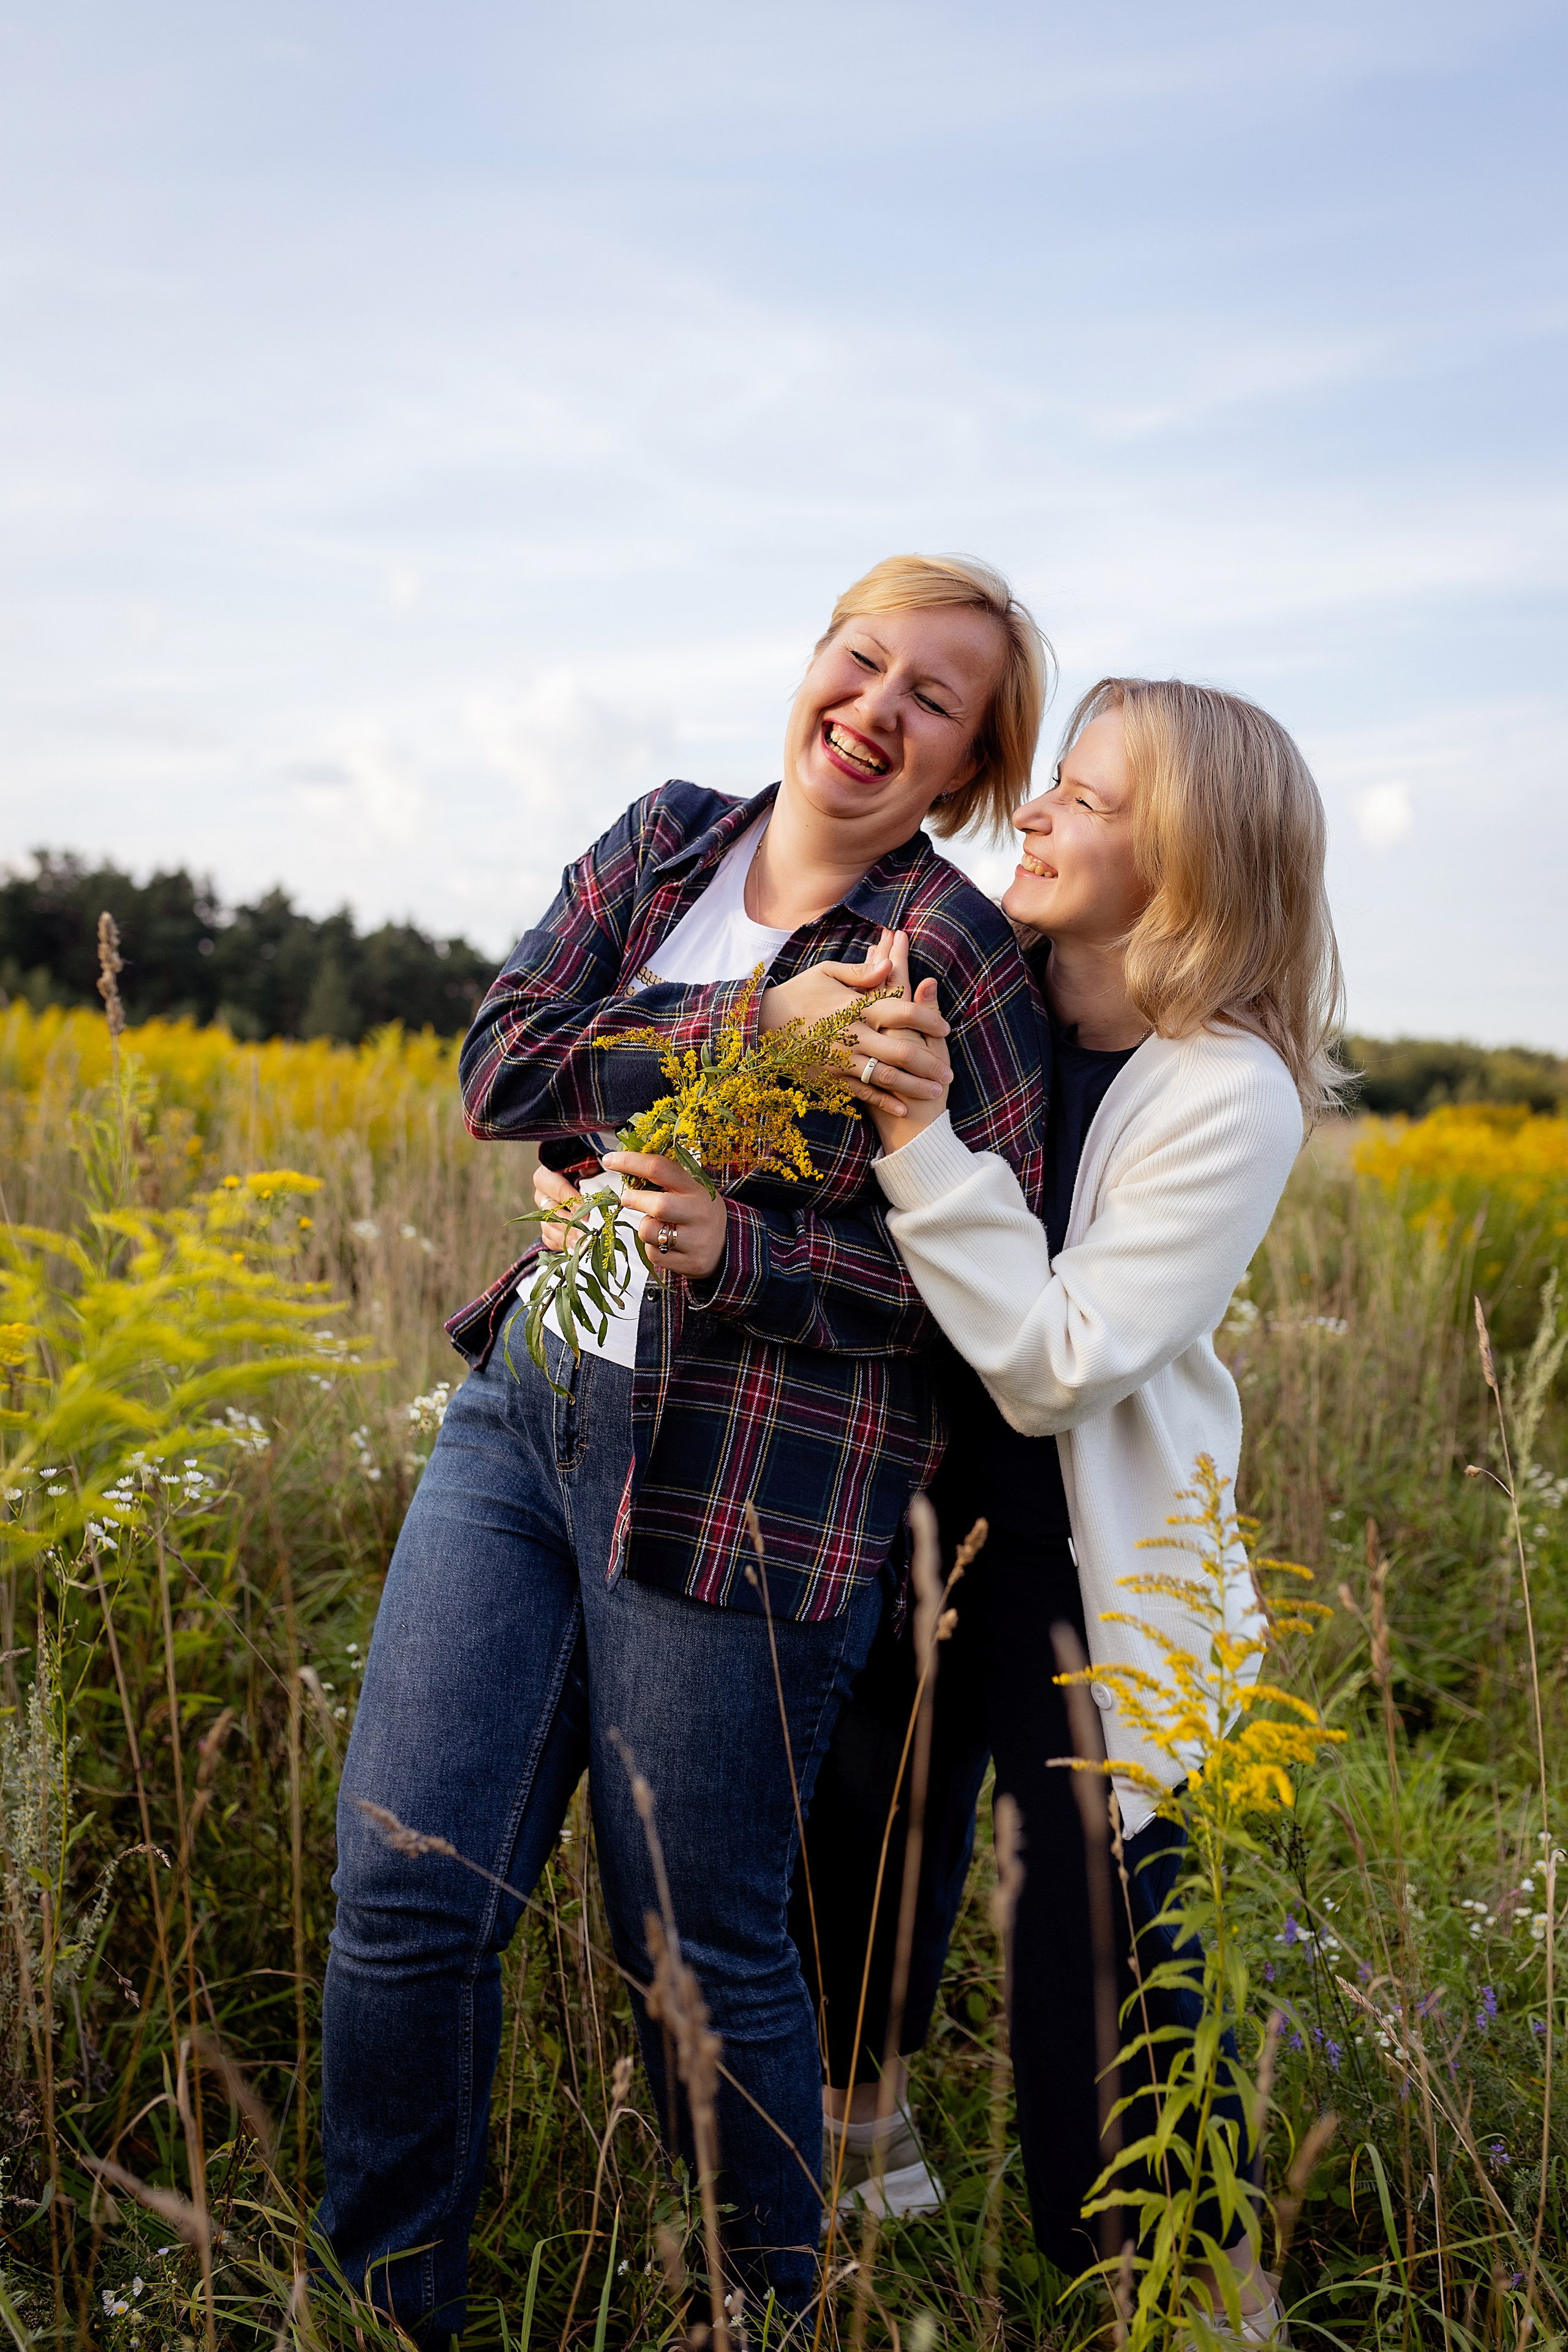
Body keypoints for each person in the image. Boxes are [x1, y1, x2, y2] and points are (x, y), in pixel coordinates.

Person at [317, 554, 1052, 2340]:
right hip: (532, 1402)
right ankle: (385, 2305)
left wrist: (752, 1252)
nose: (877, 710)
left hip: (757, 1471)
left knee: (699, 1948)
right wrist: (748, 1027)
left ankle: (761, 2314)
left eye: (932, 700)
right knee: (407, 1889)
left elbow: (987, 1282)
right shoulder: (663, 840)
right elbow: (502, 1066)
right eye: (862, 660)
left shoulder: (952, 948)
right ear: (810, 665)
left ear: (964, 766)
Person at [793, 676, 1343, 2344]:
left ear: (1190, 855)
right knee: (863, 1865)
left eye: (1090, 799)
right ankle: (861, 2146)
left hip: (1090, 1589)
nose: (1036, 810)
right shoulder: (992, 992)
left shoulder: (1224, 1091)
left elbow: (1057, 1363)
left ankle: (1191, 2293)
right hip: (899, 1531)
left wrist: (916, 1136)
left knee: (1099, 1993)